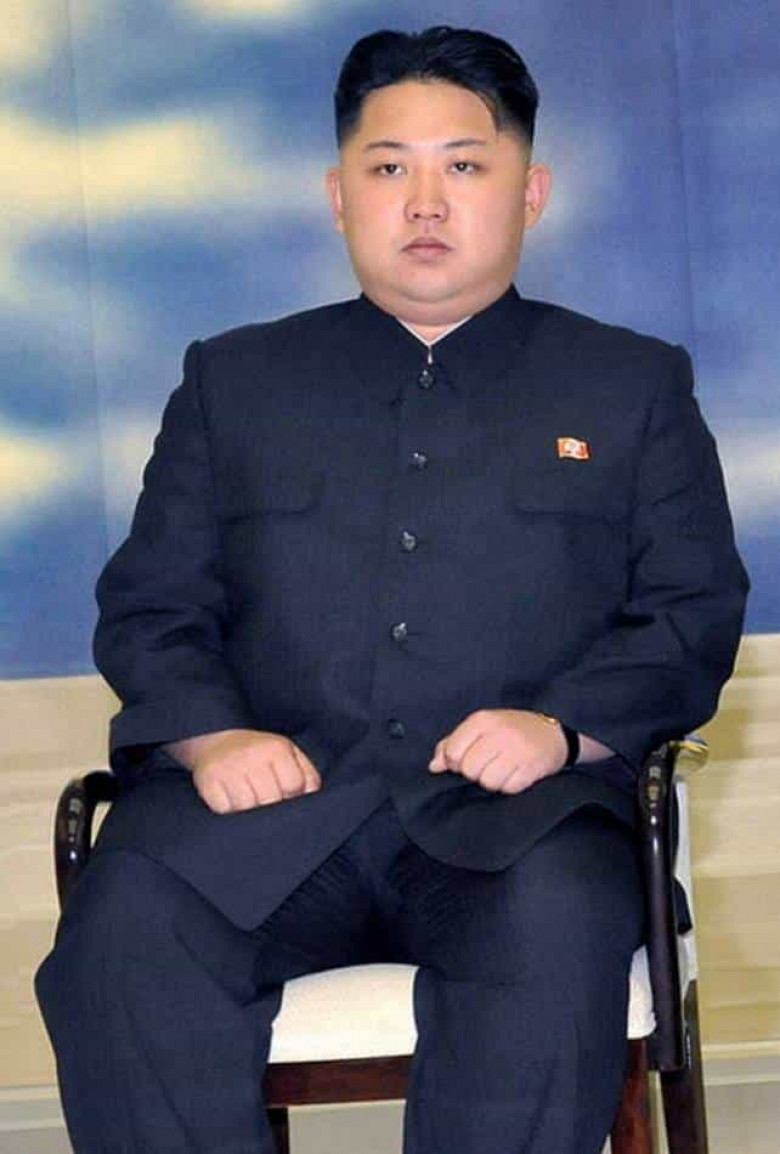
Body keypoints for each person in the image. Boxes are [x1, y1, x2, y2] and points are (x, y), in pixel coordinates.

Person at [35, 25, 748, 1154]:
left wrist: (561, 730)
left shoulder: (630, 385)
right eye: (387, 167)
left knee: (557, 926)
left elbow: (689, 609)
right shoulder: (234, 380)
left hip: (522, 828)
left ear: (531, 192)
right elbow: (152, 606)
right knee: (123, 935)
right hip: (263, 818)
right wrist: (212, 737)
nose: (425, 202)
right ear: (338, 196)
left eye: (464, 164)